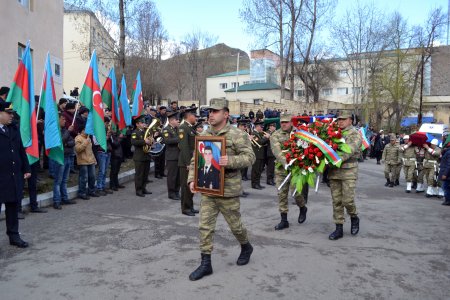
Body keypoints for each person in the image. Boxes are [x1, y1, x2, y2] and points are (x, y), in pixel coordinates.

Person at [187, 98, 255, 281]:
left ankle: (246, 246)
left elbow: (250, 157)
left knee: (236, 226)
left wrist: (230, 161)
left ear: (226, 114)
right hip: (208, 188)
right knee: (205, 227)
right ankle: (205, 263)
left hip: (228, 191)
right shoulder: (205, 135)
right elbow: (196, 160)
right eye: (210, 111)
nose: (211, 114)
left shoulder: (236, 135)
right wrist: (192, 180)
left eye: (215, 111)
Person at [0, 101, 31, 248]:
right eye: (8, 113)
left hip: (13, 176)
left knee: (12, 208)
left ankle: (14, 235)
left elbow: (20, 150)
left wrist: (26, 168)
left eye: (12, 113)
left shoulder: (13, 128)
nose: (11, 116)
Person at [270, 114, 308, 230]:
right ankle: (284, 220)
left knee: (296, 193)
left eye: (286, 122)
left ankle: (302, 207)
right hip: (281, 168)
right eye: (282, 122)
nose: (284, 124)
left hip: (297, 168)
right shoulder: (275, 135)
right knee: (281, 194)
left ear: (291, 123)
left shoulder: (299, 133)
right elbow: (277, 152)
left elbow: (305, 147)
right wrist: (286, 163)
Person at [328, 113, 362, 240]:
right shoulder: (332, 132)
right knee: (336, 201)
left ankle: (354, 216)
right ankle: (339, 228)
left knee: (347, 200)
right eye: (339, 120)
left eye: (343, 119)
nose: (340, 122)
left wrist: (335, 159)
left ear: (350, 121)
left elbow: (349, 150)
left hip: (349, 171)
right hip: (334, 171)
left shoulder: (355, 134)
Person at [52, 114, 77, 209]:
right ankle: (57, 201)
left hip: (68, 156)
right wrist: (68, 133)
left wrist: (66, 143)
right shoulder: (56, 131)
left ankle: (65, 198)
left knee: (65, 180)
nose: (65, 121)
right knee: (58, 180)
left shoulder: (64, 130)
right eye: (63, 119)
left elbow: (73, 142)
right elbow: (60, 141)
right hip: (59, 158)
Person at [178, 107, 199, 216]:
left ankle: (190, 206)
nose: (195, 117)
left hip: (192, 161)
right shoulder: (183, 128)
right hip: (186, 162)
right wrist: (187, 163)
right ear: (189, 116)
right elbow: (184, 147)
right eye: (194, 115)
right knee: (186, 186)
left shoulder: (190, 128)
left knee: (191, 185)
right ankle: (185, 208)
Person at [75, 125, 99, 200]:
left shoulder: (88, 137)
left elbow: (90, 151)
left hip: (90, 160)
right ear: (82, 130)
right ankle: (82, 192)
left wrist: (94, 160)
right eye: (85, 129)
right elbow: (78, 149)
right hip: (83, 161)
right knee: (83, 178)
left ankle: (92, 191)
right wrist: (85, 142)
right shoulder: (78, 138)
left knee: (92, 177)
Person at [131, 116, 153, 197]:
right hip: (139, 156)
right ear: (137, 124)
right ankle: (138, 190)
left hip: (146, 155)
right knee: (139, 174)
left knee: (145, 174)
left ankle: (144, 188)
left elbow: (149, 140)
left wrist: (151, 141)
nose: (144, 124)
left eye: (144, 122)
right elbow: (134, 142)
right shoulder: (135, 132)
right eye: (142, 123)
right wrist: (144, 141)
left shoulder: (145, 131)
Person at [162, 111, 181, 200]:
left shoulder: (177, 129)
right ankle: (171, 193)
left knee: (178, 176)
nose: (178, 121)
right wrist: (180, 138)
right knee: (172, 176)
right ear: (171, 121)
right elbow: (167, 141)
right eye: (177, 120)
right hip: (172, 156)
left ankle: (177, 191)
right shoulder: (166, 129)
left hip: (179, 155)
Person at [94, 118, 113, 196]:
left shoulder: (107, 131)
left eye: (108, 124)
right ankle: (99, 187)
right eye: (106, 123)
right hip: (101, 152)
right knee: (101, 171)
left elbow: (111, 141)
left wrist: (109, 136)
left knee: (105, 170)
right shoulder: (97, 131)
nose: (107, 125)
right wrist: (104, 138)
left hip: (107, 152)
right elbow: (95, 142)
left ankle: (103, 186)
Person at [250, 120, 269, 189]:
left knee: (259, 170)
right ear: (257, 126)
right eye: (261, 127)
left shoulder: (259, 133)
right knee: (255, 170)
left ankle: (258, 183)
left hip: (260, 154)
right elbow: (260, 142)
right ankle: (254, 184)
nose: (262, 128)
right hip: (256, 154)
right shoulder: (254, 134)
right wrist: (266, 137)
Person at [438, 136, 450, 206]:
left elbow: (449, 165)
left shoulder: (449, 152)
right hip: (447, 173)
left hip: (447, 174)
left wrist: (445, 174)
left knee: (446, 187)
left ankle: (448, 200)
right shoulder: (447, 152)